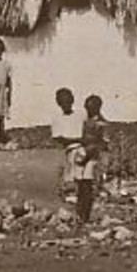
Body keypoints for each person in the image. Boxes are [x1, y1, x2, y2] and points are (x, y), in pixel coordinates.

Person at [50, 87, 86, 217]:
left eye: (68, 101)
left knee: (80, 175)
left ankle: (79, 202)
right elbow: (59, 138)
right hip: (70, 149)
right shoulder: (57, 118)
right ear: (58, 103)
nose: (66, 104)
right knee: (70, 175)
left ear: (72, 100)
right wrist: (77, 139)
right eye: (62, 101)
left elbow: (88, 131)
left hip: (82, 148)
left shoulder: (81, 115)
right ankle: (72, 202)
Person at [77, 94, 109, 224]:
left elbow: (103, 143)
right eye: (87, 106)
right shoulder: (85, 121)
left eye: (91, 106)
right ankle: (81, 215)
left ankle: (85, 216)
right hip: (85, 155)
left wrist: (89, 153)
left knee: (88, 188)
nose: (88, 109)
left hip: (94, 158)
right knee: (82, 187)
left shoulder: (101, 123)